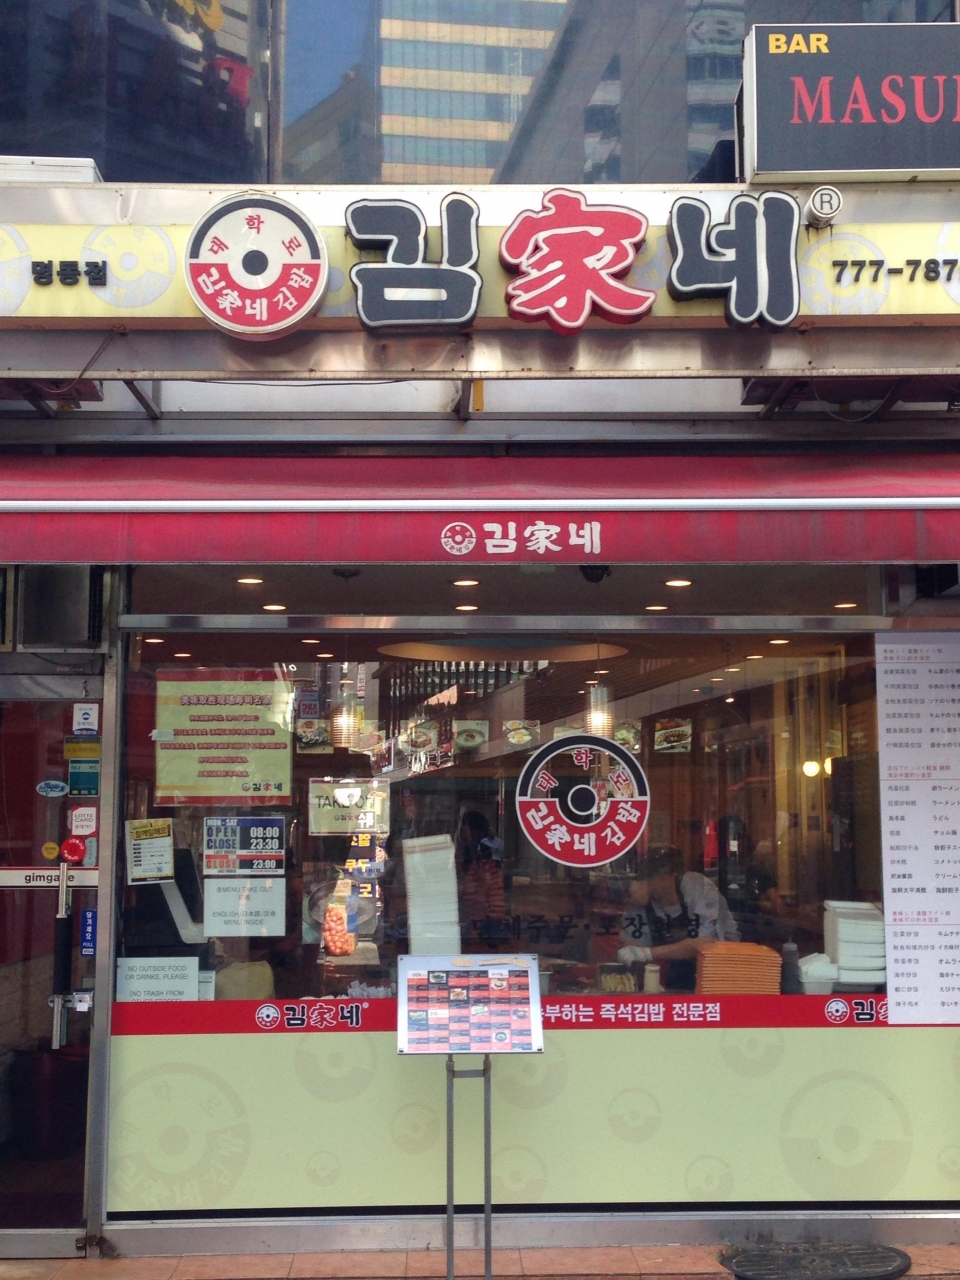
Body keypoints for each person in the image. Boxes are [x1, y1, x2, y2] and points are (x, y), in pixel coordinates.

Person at [618, 845, 740, 991]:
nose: (632, 887)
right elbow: (632, 945)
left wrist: (647, 953)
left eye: (641, 879)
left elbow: (706, 942)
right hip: (676, 977)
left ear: (663, 875)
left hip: (722, 973)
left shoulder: (697, 886)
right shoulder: (641, 905)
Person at [457, 810, 505, 943]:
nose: (461, 835)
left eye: (464, 830)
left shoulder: (484, 863)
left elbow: (481, 899)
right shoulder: (476, 861)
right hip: (480, 920)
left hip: (486, 923)